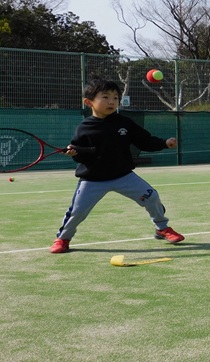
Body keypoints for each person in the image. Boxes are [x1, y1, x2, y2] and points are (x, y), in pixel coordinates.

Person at [50, 78, 185, 254]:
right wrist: (76, 153)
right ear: (88, 102)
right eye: (105, 97)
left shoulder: (125, 123)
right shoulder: (84, 128)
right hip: (93, 179)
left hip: (123, 176)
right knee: (77, 211)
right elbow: (83, 154)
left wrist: (164, 143)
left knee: (152, 197)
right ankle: (63, 239)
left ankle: (162, 228)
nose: (112, 101)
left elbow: (145, 141)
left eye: (115, 97)